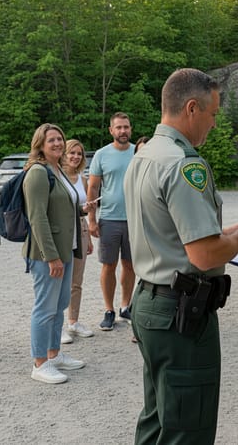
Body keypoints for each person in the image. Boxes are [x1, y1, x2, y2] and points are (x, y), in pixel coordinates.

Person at [124, 68, 238, 444]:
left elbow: (174, 233)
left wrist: (235, 232)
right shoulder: (184, 165)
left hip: (150, 301)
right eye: (213, 114)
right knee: (188, 428)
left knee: (157, 419)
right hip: (180, 314)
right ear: (192, 108)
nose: (215, 124)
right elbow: (203, 254)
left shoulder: (144, 155)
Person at [23, 123, 86, 384]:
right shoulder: (38, 173)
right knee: (45, 308)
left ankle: (53, 353)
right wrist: (51, 256)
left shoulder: (58, 170)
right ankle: (39, 363)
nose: (58, 144)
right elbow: (37, 218)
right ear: (40, 144)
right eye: (52, 140)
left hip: (67, 249)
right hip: (46, 254)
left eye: (60, 139)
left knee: (59, 305)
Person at [87, 112, 136, 331]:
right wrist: (92, 219)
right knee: (109, 265)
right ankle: (109, 310)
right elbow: (93, 188)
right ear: (111, 130)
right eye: (119, 127)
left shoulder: (139, 152)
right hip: (109, 218)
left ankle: (126, 305)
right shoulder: (101, 154)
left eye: (126, 127)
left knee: (130, 264)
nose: (123, 131)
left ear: (130, 129)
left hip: (135, 219)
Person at [60, 139, 95, 344]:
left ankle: (73, 321)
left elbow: (81, 210)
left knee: (76, 282)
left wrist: (88, 237)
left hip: (80, 231)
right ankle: (59, 327)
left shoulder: (82, 179)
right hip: (64, 233)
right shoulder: (57, 177)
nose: (75, 157)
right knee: (60, 281)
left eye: (79, 154)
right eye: (71, 153)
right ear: (64, 154)